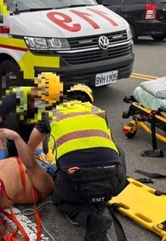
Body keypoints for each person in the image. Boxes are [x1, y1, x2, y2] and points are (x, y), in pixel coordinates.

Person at [27, 89, 128, 241]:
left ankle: (92, 218)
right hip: (113, 178)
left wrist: (40, 161)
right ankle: (100, 201)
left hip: (76, 182)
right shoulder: (99, 112)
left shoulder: (51, 114)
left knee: (58, 197)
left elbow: (31, 145)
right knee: (117, 150)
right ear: (89, 101)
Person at [0, 72, 62, 162]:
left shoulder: (48, 103)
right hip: (14, 125)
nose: (43, 102)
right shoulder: (14, 96)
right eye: (41, 98)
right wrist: (1, 149)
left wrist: (39, 148)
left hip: (31, 127)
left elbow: (41, 126)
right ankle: (12, 144)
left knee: (45, 150)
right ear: (35, 89)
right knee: (15, 152)